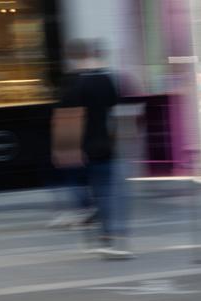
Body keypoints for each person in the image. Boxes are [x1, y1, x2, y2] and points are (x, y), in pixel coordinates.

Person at [53, 39, 126, 258]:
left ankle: (86, 211)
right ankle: (106, 238)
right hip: (104, 144)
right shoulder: (105, 78)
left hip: (79, 146)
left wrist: (63, 149)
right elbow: (114, 107)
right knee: (105, 193)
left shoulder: (73, 82)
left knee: (77, 185)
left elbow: (66, 116)